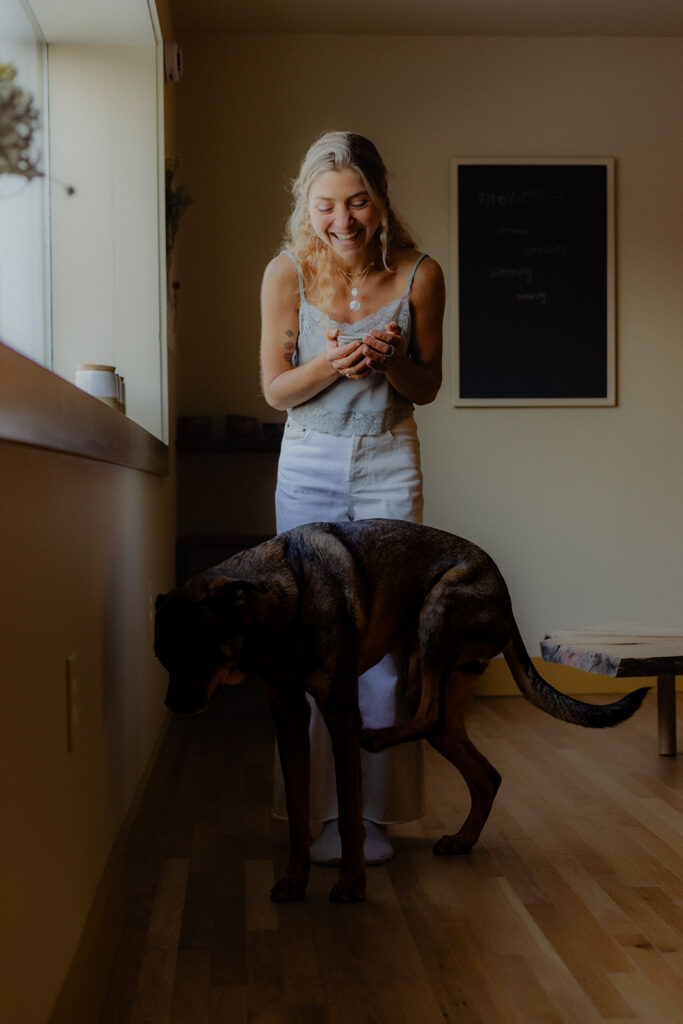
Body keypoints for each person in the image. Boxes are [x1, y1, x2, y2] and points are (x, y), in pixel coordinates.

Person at [260, 130, 445, 865]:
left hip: (389, 460)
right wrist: (332, 365)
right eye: (325, 205)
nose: (342, 220)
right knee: (309, 636)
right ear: (306, 207)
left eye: (357, 202)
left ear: (381, 199)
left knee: (380, 643)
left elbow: (426, 388)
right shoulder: (285, 274)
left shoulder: (420, 274)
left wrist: (394, 359)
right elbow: (276, 390)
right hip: (305, 461)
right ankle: (316, 815)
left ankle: (372, 816)